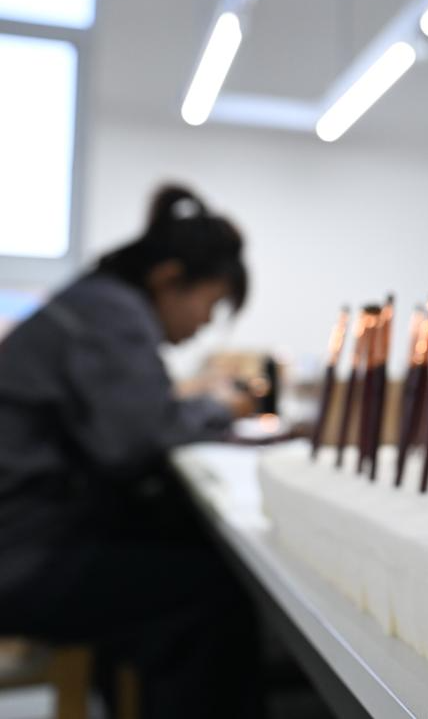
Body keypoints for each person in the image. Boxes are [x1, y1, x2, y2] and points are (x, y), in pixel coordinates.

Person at [0, 185, 265, 718]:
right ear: (168, 279)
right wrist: (219, 407)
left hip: (25, 537)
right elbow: (140, 439)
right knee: (214, 594)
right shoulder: (112, 314)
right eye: (209, 304)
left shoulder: (96, 302)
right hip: (22, 558)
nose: (204, 323)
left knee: (174, 555)